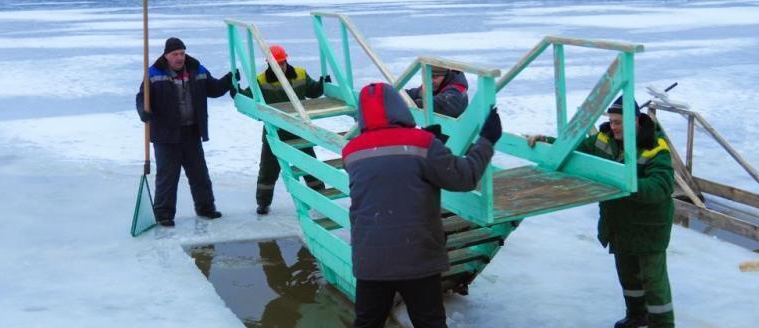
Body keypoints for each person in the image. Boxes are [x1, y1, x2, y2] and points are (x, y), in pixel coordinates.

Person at [342, 82, 501, 328]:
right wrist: (487, 140)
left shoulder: (351, 151)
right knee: (430, 323)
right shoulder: (423, 144)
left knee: (367, 323)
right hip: (417, 258)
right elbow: (465, 177)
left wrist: (426, 142)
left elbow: (387, 165)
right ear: (398, 106)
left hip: (371, 259)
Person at [527, 96, 675, 328]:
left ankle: (663, 324)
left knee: (653, 282)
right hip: (619, 222)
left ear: (635, 121)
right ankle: (637, 316)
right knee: (628, 275)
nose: (613, 126)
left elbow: (662, 187)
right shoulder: (603, 139)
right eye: (611, 121)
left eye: (618, 122)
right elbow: (573, 151)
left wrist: (625, 182)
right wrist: (546, 141)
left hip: (648, 227)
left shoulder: (656, 148)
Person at [136, 37, 234, 227]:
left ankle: (206, 208)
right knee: (167, 177)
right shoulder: (153, 74)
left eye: (182, 53)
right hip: (166, 136)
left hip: (191, 133)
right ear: (167, 55)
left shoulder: (197, 69)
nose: (179, 58)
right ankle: (163, 214)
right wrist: (144, 112)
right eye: (175, 54)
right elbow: (141, 98)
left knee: (199, 175)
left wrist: (228, 81)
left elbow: (213, 89)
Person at [238, 44, 327, 215]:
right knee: (268, 169)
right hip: (274, 131)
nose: (280, 66)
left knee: (310, 165)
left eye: (282, 63)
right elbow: (249, 97)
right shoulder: (261, 80)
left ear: (286, 60)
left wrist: (322, 83)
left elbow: (313, 91)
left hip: (298, 129)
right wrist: (236, 91)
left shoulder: (300, 74)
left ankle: (320, 196)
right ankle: (263, 203)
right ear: (269, 63)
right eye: (275, 64)